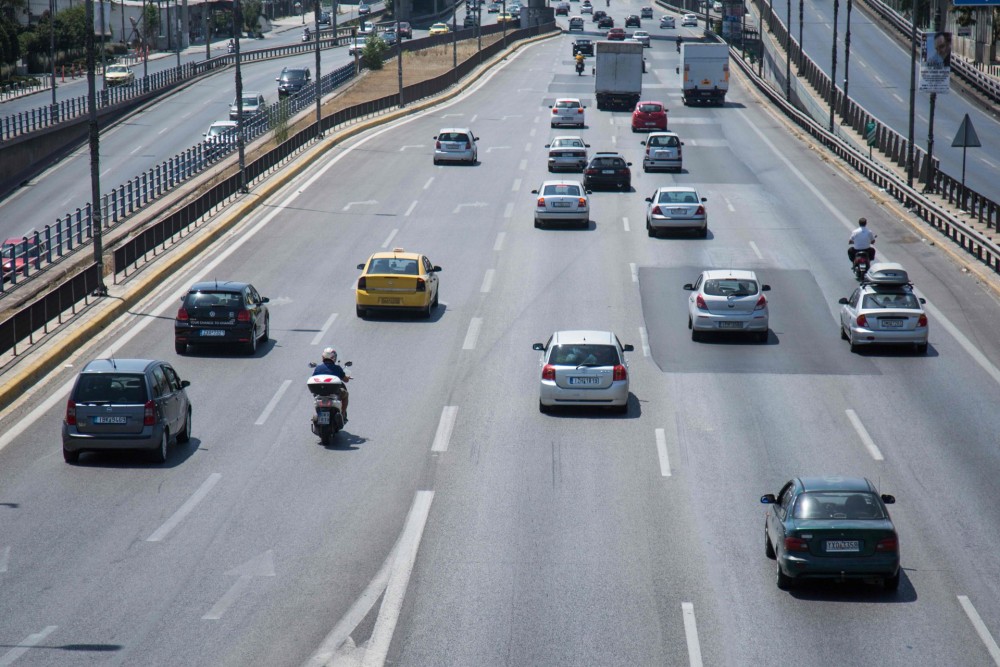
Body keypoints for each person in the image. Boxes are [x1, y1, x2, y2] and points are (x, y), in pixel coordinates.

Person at [312, 347, 350, 421]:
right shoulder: (337, 368)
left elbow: (313, 379)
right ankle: (343, 413)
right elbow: (345, 380)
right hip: (334, 393)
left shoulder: (318, 368)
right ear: (334, 358)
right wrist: (347, 377)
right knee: (345, 394)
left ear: (323, 357)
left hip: (320, 393)